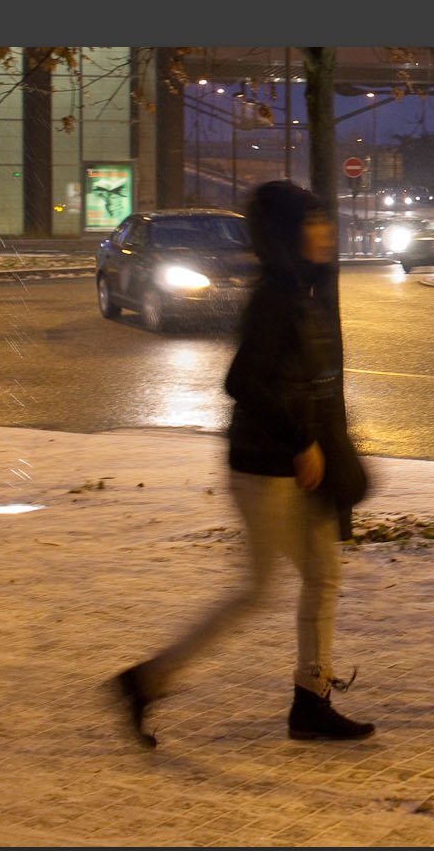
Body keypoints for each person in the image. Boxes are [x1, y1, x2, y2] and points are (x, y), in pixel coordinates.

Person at [110, 181, 373, 748]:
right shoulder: (277, 297)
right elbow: (243, 380)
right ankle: (146, 680)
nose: (327, 232)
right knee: (256, 591)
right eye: (313, 223)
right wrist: (302, 440)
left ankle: (311, 699)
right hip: (264, 466)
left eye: (326, 221)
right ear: (286, 234)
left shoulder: (300, 289)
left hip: (297, 464)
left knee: (323, 576)